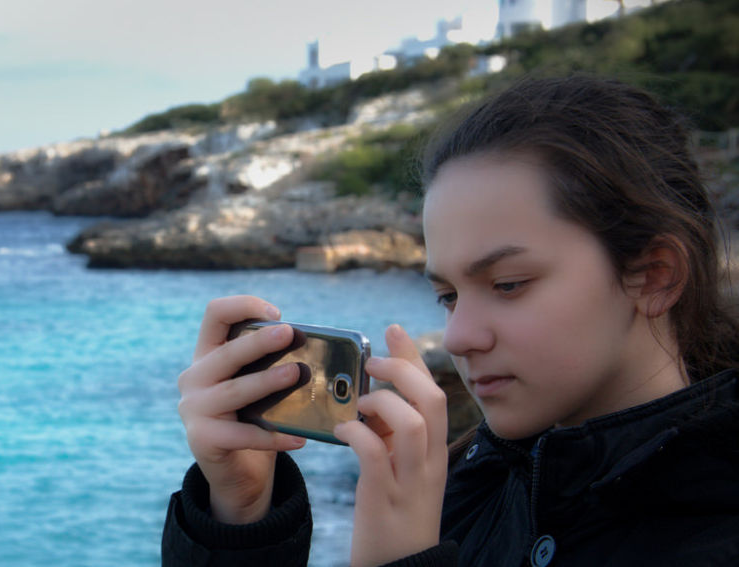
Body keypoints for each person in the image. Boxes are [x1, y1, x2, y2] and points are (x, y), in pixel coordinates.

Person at [162, 75, 739, 566]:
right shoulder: (456, 490)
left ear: (655, 275)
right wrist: (239, 517)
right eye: (447, 295)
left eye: (508, 284)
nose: (460, 337)